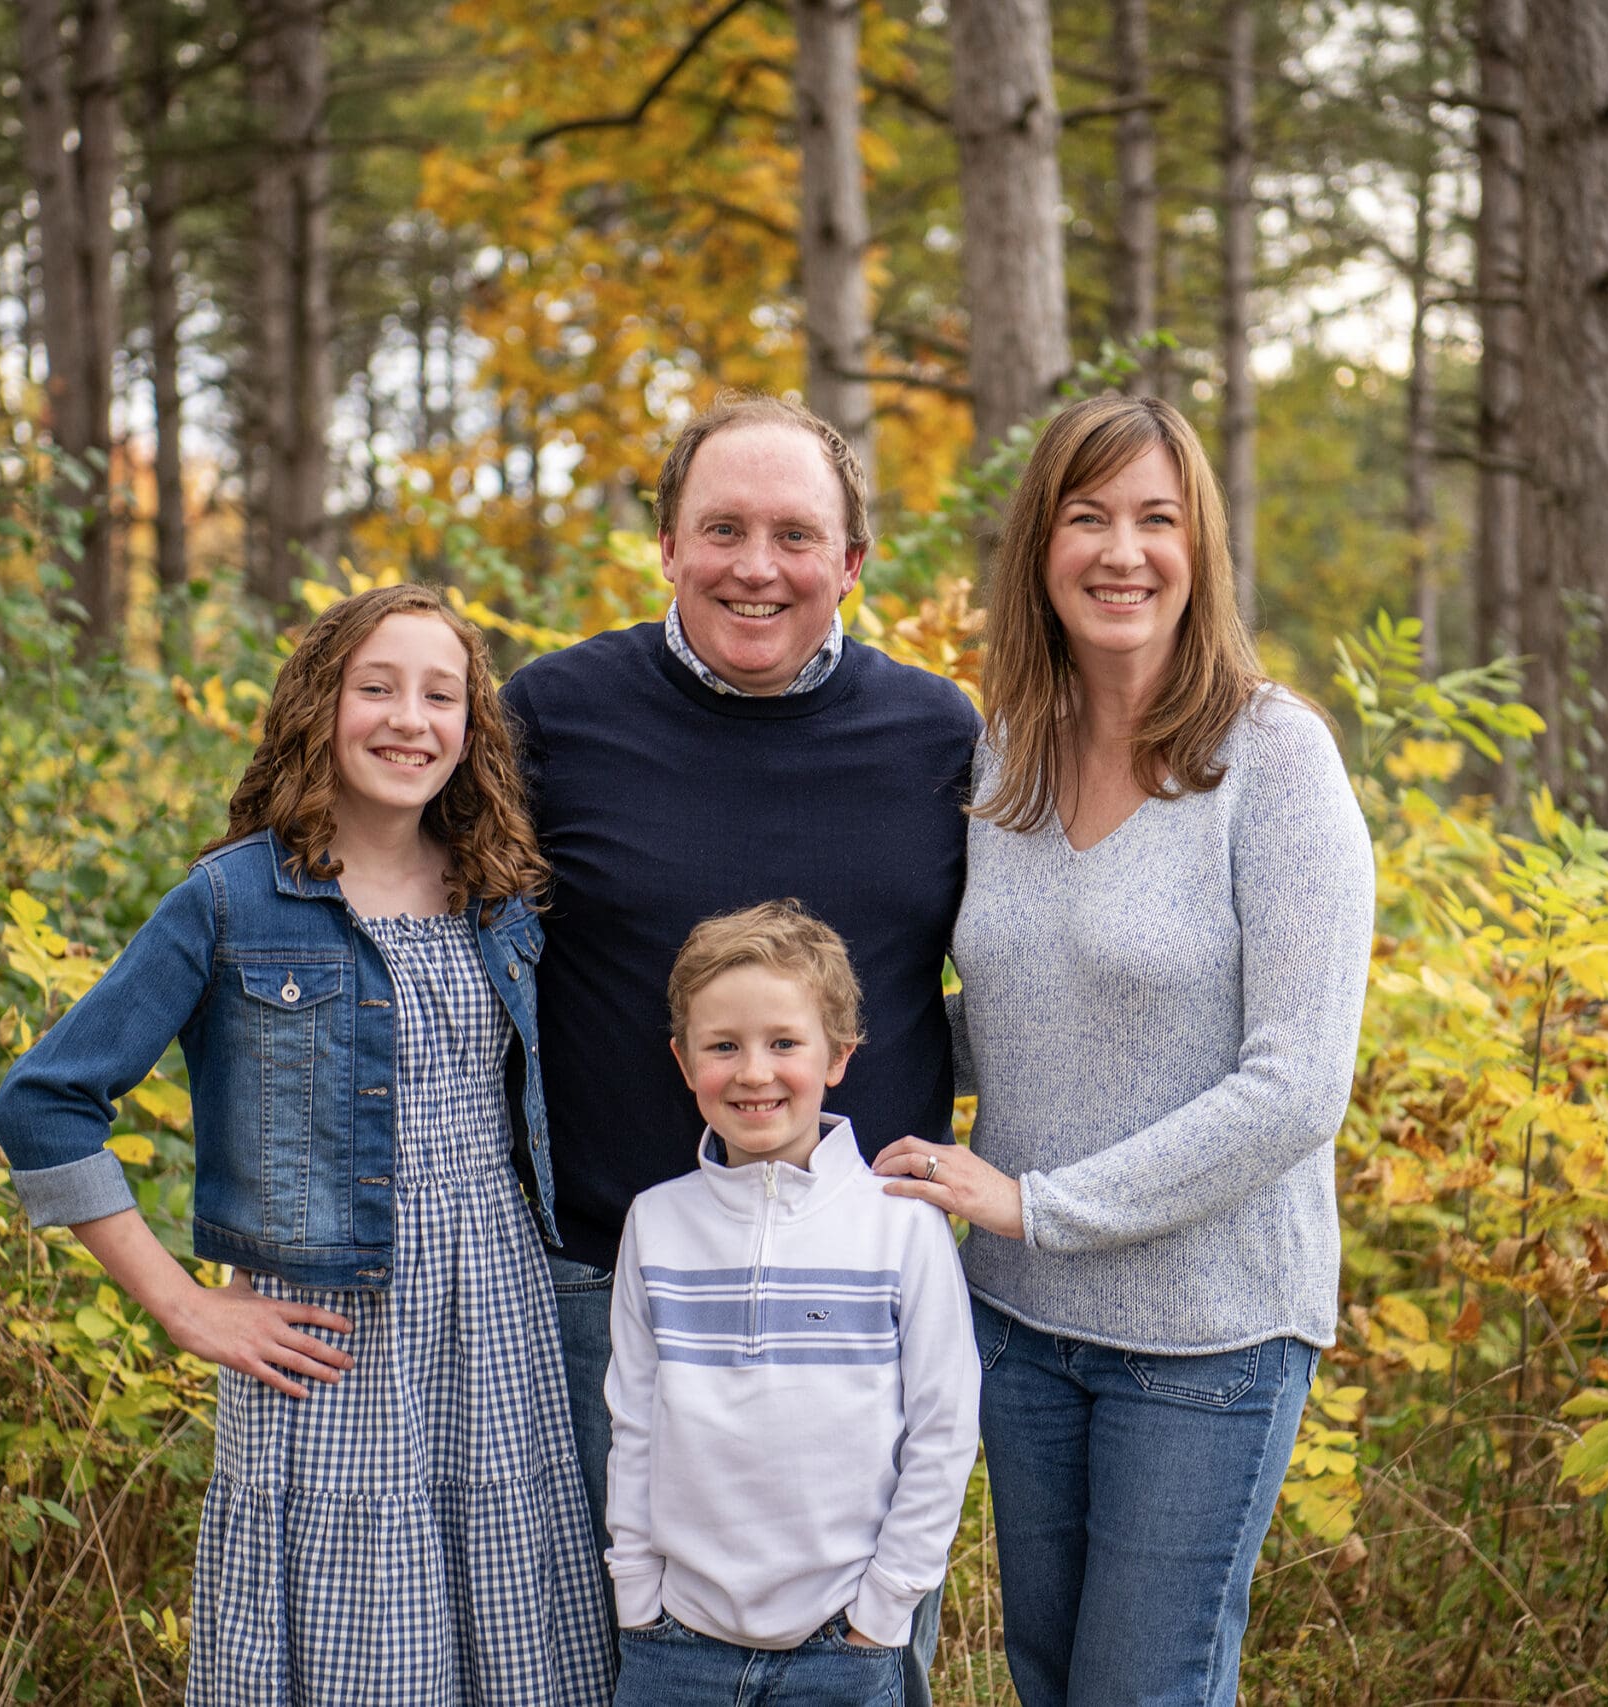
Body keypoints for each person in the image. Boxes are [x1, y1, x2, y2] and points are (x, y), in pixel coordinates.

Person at [0, 585, 613, 1706]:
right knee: (364, 1638)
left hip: (499, 1307)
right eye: (376, 689)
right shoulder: (232, 901)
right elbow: (43, 1104)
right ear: (318, 707)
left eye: (441, 695)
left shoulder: (501, 897)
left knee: (511, 1621)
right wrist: (183, 1306)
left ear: (473, 730)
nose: (408, 720)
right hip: (329, 1321)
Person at [871, 394, 1376, 1705]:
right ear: (1040, 546)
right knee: (1051, 1678)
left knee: (1142, 1688)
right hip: (1026, 1327)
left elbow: (1297, 1084)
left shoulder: (1273, 759)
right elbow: (1015, 1009)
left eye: (1158, 518)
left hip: (1208, 1333)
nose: (1123, 550)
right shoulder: (1010, 761)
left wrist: (1041, 1205)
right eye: (1088, 516)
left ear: (1198, 548)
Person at [502, 395, 977, 1700]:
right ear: (665, 543)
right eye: (721, 528)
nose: (755, 567)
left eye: (794, 534)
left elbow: (1016, 979)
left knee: (863, 1672)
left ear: (854, 563)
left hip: (864, 1303)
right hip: (606, 1295)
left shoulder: (943, 740)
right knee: (622, 1668)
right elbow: (425, 952)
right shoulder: (551, 716)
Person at [605, 903, 977, 1707]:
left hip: (841, 1647)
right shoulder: (657, 1222)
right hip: (675, 1645)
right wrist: (635, 1597)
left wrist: (881, 1613)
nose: (753, 1072)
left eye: (784, 1043)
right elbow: (632, 1420)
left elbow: (944, 1429)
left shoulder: (903, 1222)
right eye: (723, 1046)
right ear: (683, 1059)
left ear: (839, 1054)